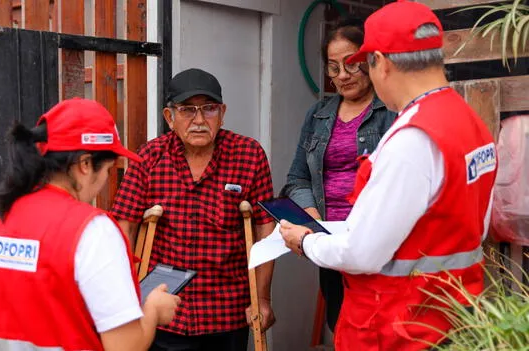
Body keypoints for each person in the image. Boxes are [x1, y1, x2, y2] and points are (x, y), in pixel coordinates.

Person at [279, 1, 497, 350]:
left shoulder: (413, 138)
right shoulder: (468, 121)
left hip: (398, 325)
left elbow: (362, 253)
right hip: (450, 312)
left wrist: (304, 241)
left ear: (379, 62)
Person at [0, 98, 181, 351]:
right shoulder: (92, 231)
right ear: (84, 164)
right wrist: (154, 309)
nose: (104, 180)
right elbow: (125, 346)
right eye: (108, 170)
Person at [111, 68, 276, 351]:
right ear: (169, 117)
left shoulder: (249, 155)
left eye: (209, 109)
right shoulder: (149, 157)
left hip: (226, 311)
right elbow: (125, 226)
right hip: (164, 310)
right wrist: (125, 298)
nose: (199, 120)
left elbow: (264, 230)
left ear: (222, 113)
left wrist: (261, 299)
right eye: (188, 110)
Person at [281, 17, 396, 332]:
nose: (343, 76)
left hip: (374, 241)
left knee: (379, 329)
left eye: (351, 64)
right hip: (329, 241)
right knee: (340, 324)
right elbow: (297, 177)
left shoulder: (391, 111)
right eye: (333, 68)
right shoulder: (318, 114)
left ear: (370, 59)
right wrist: (311, 217)